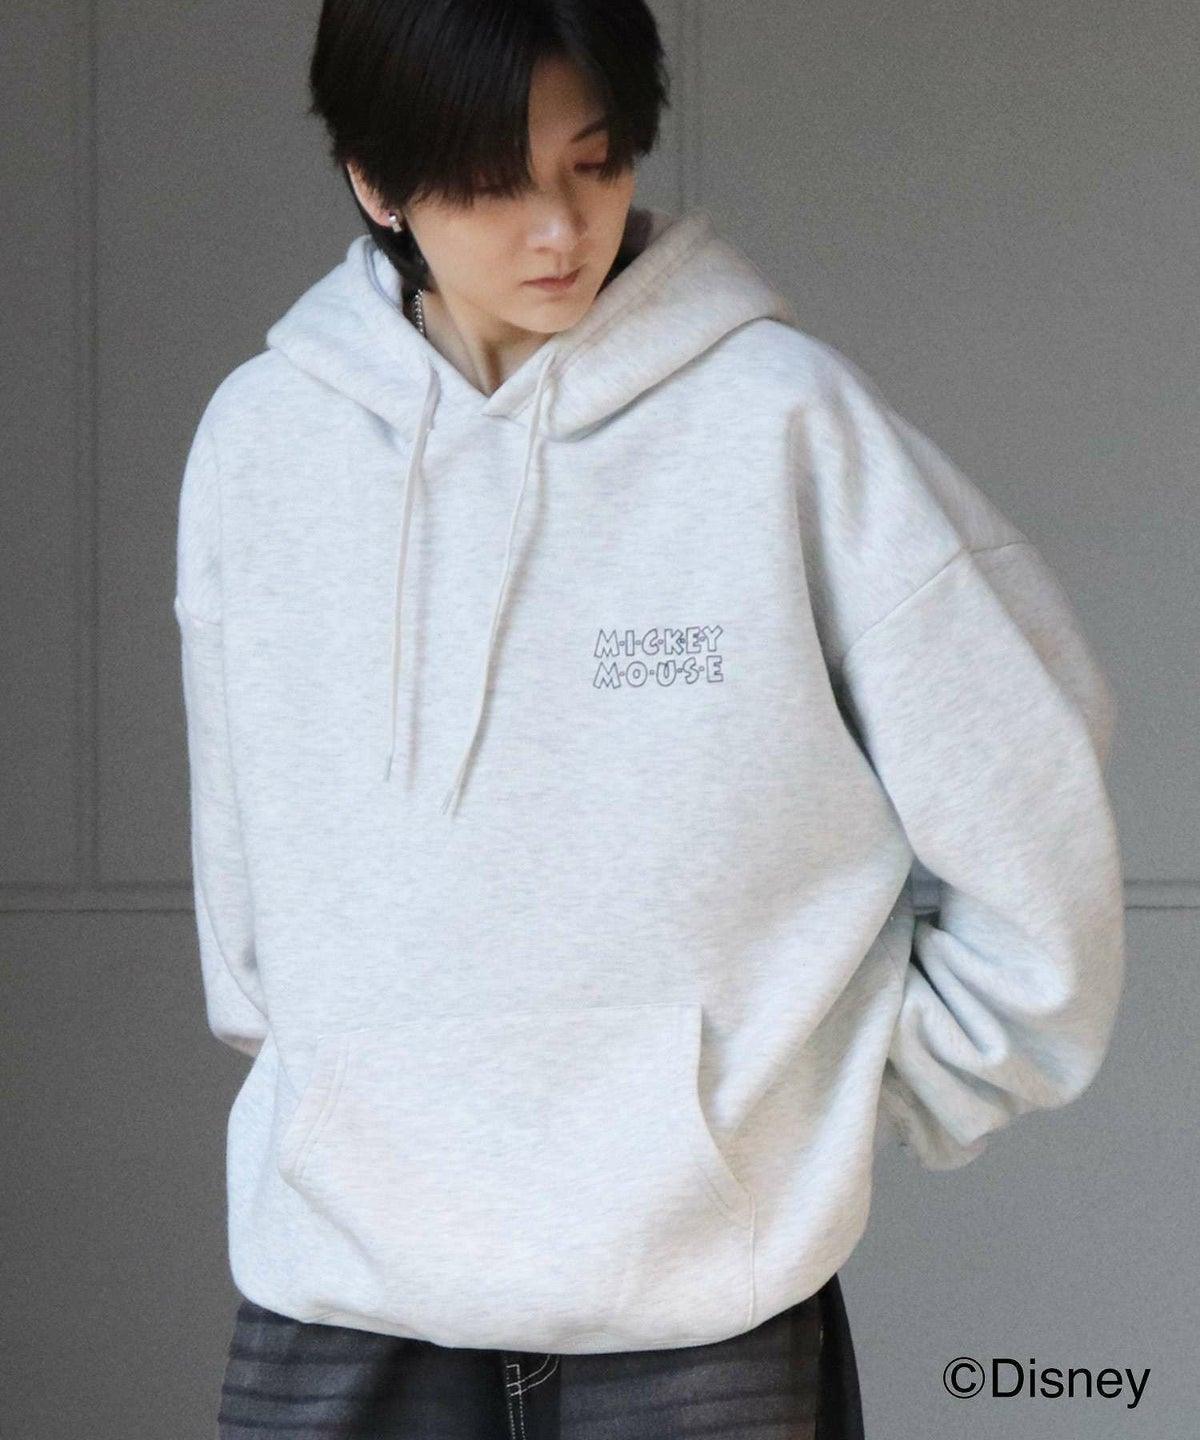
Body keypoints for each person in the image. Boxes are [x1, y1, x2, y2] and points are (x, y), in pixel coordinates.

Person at [172, 1, 1126, 1436]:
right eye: (494, 182)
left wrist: (810, 1115)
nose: (562, 226)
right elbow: (248, 898)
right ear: (377, 180)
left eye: (596, 160)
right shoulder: (261, 444)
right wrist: (343, 1086)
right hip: (340, 1290)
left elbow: (1026, 789)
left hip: (702, 1307)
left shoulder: (780, 423)